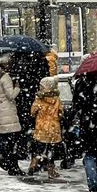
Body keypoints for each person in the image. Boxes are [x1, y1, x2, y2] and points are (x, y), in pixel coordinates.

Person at [28, 51, 63, 179]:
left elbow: (33, 112)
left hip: (40, 128)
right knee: (51, 151)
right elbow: (61, 113)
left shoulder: (39, 100)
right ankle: (51, 170)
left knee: (38, 148)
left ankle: (34, 163)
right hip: (53, 129)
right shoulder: (56, 100)